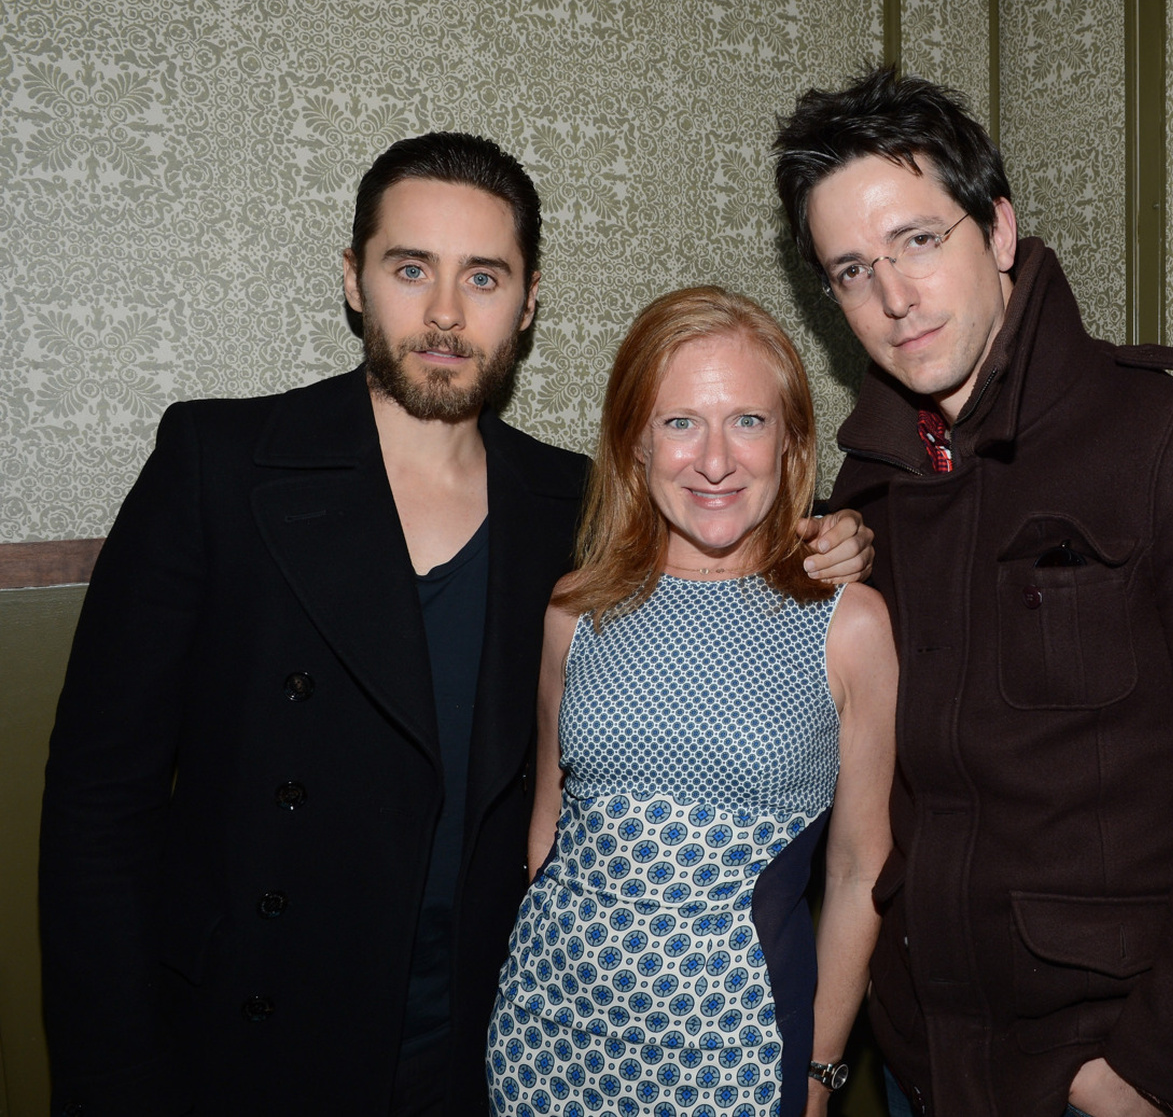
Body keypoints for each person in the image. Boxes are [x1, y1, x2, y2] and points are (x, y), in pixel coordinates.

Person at [38, 134, 872, 1117]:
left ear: (527, 302)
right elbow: (99, 806)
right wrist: (110, 1079)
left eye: (482, 276)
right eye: (409, 269)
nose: (443, 312)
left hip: (492, 1040)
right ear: (353, 280)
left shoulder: (570, 506)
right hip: (253, 1038)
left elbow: (719, 544)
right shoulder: (218, 463)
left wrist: (831, 534)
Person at [772, 68, 1173, 1117]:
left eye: (917, 240)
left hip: (1097, 1068)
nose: (893, 298)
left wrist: (1157, 1069)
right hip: (916, 1054)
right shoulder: (869, 486)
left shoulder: (1169, 435)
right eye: (851, 270)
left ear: (996, 228)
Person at [485, 286, 897, 1117]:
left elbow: (860, 870)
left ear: (790, 440)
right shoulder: (574, 610)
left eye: (747, 420)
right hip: (546, 1031)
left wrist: (819, 1069)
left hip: (737, 1048)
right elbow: (548, 825)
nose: (715, 461)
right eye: (679, 422)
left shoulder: (847, 623)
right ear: (634, 441)